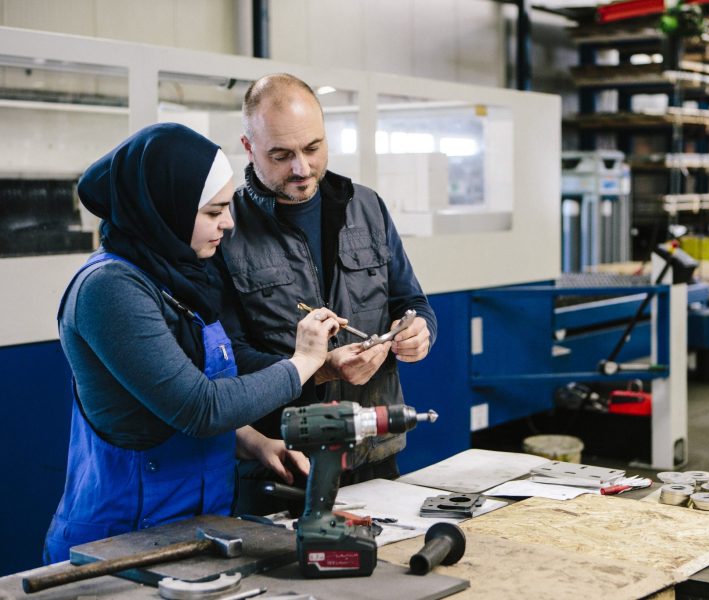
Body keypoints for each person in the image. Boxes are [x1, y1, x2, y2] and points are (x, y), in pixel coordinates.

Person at [44, 123, 343, 563]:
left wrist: (258, 444)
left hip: (197, 530)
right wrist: (302, 363)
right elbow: (198, 407)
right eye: (213, 211)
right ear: (166, 208)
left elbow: (192, 382)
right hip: (120, 541)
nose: (229, 222)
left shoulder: (179, 275)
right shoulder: (109, 289)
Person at [218, 73, 437, 488]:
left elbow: (412, 303)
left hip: (374, 450)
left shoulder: (367, 206)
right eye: (281, 155)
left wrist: (418, 332)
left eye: (313, 148)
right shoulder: (226, 227)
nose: (301, 168)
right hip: (281, 459)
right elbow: (224, 359)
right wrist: (318, 369)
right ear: (248, 147)